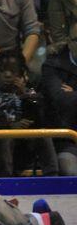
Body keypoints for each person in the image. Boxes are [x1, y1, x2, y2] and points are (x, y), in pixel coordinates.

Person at [0, 49, 58, 176]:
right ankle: (5, 179)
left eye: (13, 71)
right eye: (3, 71)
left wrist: (24, 93)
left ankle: (52, 176)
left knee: (43, 136)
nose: (8, 75)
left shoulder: (30, 89)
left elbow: (41, 117)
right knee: (6, 138)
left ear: (21, 72)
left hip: (26, 140)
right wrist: (10, 126)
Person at [40, 22, 77, 175]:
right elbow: (61, 100)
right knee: (71, 172)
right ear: (69, 42)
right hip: (67, 140)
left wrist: (73, 93)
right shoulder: (53, 66)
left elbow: (70, 99)